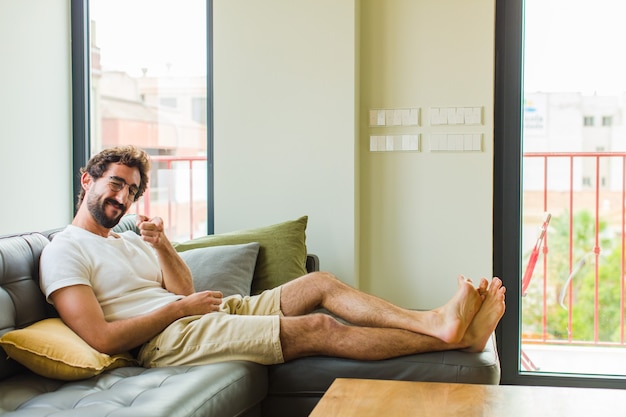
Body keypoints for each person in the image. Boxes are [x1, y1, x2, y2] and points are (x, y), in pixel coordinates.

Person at [40, 145, 506, 368]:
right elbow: (101, 338)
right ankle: (452, 338)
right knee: (320, 326)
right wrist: (180, 309)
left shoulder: (124, 239)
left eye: (133, 190)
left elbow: (181, 288)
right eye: (116, 184)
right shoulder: (64, 251)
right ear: (87, 181)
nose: (123, 197)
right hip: (164, 341)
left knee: (320, 284)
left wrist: (162, 246)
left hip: (195, 314)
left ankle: (433, 322)